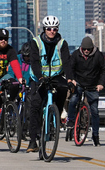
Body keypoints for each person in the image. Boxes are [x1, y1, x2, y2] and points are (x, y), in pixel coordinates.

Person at [25, 16, 71, 153]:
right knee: (35, 105)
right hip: (39, 77)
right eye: (49, 28)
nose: (52, 31)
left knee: (64, 89)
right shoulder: (36, 42)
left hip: (56, 76)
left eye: (55, 29)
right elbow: (34, 61)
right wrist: (40, 77)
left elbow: (67, 63)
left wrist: (70, 79)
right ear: (44, 29)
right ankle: (33, 141)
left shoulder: (62, 43)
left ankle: (54, 113)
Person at [65, 36, 105, 147]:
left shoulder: (98, 55)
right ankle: (70, 121)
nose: (86, 51)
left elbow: (104, 70)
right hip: (79, 82)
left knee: (94, 111)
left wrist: (101, 84)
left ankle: (95, 135)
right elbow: (70, 67)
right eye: (84, 49)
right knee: (73, 100)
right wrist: (71, 79)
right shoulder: (76, 54)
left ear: (92, 48)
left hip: (93, 85)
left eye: (88, 49)